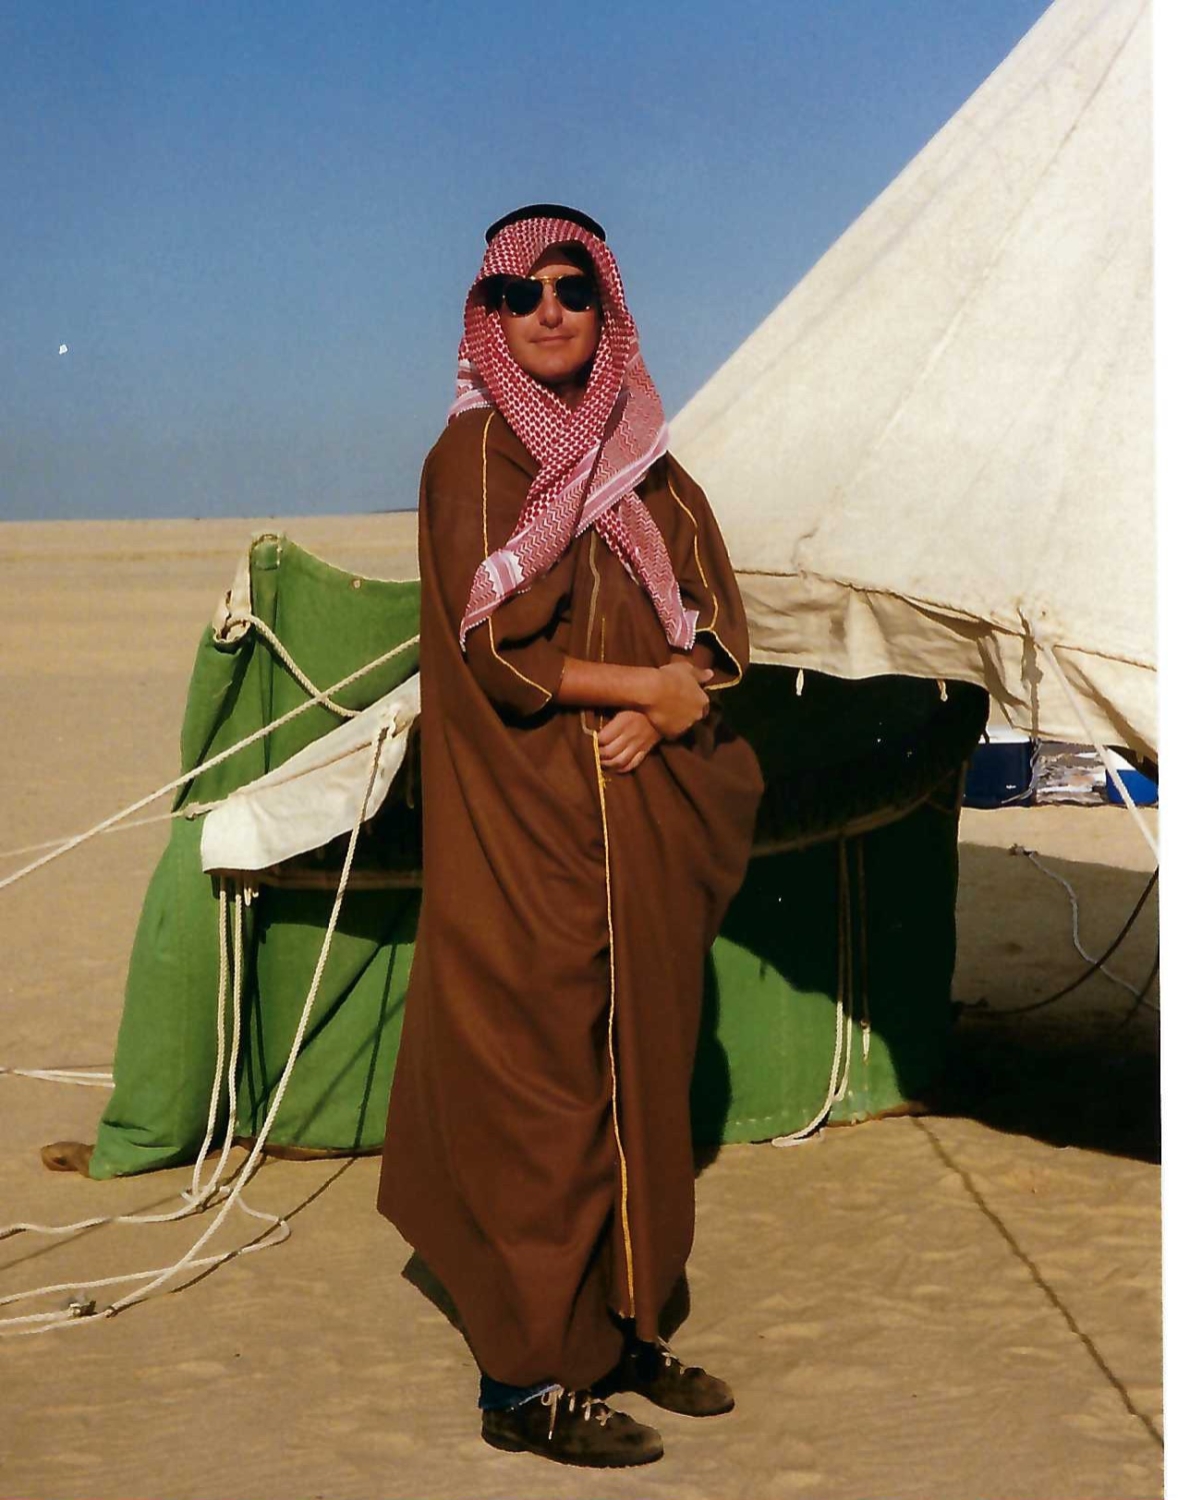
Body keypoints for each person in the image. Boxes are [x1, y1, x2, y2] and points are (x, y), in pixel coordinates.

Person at [378, 204, 763, 1469]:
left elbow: (714, 624)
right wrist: (639, 684)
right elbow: (494, 647)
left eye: (572, 288)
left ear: (606, 308)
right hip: (523, 825)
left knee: (638, 1073)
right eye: (519, 293)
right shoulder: (475, 459)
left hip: (633, 825)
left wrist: (670, 699)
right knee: (537, 1089)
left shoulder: (643, 459)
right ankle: (523, 1382)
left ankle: (621, 1333)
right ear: (485, 315)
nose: (547, 311)